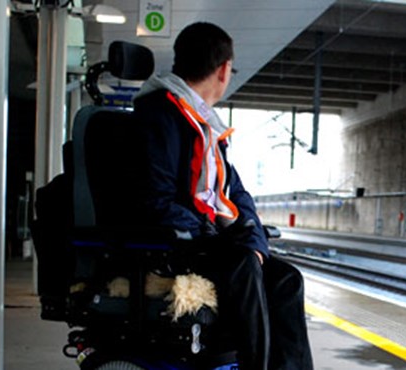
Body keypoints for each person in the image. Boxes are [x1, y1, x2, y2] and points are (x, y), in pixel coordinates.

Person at [133, 22, 313, 370]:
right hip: (174, 243)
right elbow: (155, 200)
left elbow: (237, 195)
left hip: (205, 241)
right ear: (224, 69)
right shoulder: (161, 115)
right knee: (241, 264)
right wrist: (215, 236)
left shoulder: (205, 123)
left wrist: (256, 243)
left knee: (287, 280)